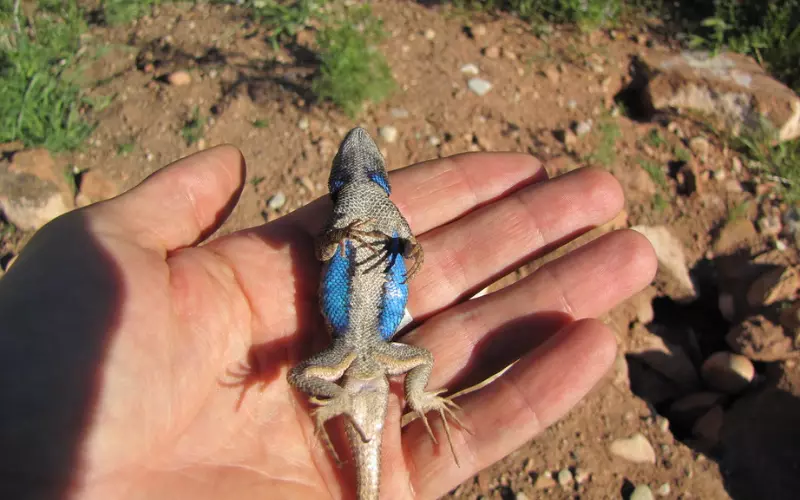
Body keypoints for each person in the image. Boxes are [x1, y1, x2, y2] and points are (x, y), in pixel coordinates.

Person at [0, 145, 656, 499]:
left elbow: (395, 252)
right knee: (402, 368)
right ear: (358, 184)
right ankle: (399, 396)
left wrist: (365, 243)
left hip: (356, 346)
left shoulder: (360, 219)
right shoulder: (365, 217)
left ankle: (371, 397)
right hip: (371, 344)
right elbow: (400, 253)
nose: (358, 164)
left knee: (327, 377)